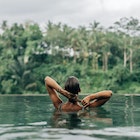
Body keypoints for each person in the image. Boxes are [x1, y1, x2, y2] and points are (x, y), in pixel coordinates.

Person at [45, 76, 112, 112]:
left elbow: (47, 79)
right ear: (79, 90)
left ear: (65, 89)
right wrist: (90, 97)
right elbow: (109, 94)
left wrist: (62, 92)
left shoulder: (58, 106)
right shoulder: (85, 108)